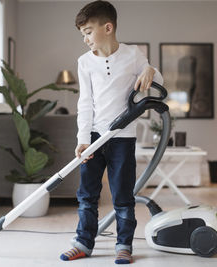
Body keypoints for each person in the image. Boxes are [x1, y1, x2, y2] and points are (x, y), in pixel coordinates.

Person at [60, 0, 163, 264]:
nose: (84, 38)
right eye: (82, 33)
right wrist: (83, 140)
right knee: (87, 194)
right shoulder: (84, 62)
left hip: (123, 138)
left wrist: (150, 69)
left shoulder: (132, 54)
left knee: (122, 195)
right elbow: (85, 103)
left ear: (108, 27)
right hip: (94, 137)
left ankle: (124, 244)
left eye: (88, 31)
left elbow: (158, 82)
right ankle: (83, 241)